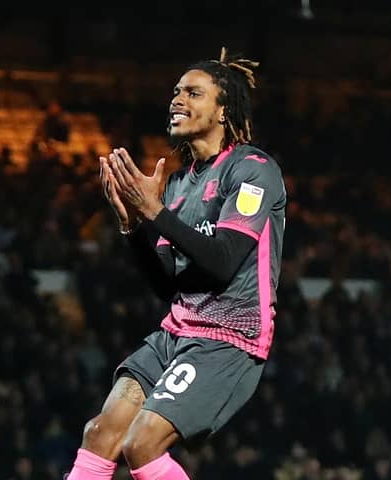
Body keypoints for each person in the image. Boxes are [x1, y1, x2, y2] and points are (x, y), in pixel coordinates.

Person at [66, 47, 287, 480]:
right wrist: (134, 227)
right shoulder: (179, 185)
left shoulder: (253, 170)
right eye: (175, 91)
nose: (177, 100)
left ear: (223, 110)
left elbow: (224, 262)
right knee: (99, 433)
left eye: (193, 92)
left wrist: (155, 214)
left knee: (141, 444)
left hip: (229, 336)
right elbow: (167, 284)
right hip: (176, 331)